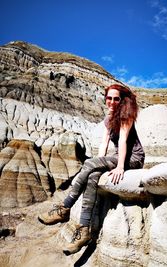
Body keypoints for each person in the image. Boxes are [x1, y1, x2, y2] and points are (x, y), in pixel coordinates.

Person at [38, 84, 145, 255]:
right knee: (93, 174)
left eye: (116, 98)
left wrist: (120, 167)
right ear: (105, 99)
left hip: (133, 158)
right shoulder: (108, 118)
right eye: (109, 98)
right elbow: (104, 143)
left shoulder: (126, 115)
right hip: (119, 155)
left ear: (122, 99)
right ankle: (84, 231)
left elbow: (123, 141)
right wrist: (99, 162)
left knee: (88, 164)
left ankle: (65, 208)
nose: (112, 101)